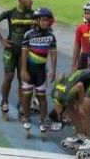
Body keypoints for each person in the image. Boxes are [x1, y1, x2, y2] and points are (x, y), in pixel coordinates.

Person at [0, 0, 35, 120]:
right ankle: (4, 101)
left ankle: (22, 106)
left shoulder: (34, 14)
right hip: (11, 49)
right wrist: (1, 40)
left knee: (22, 79)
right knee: (9, 76)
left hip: (25, 51)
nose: (31, 0)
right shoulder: (10, 13)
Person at [19, 7, 57, 138]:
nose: (46, 23)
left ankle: (42, 120)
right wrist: (23, 69)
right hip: (29, 69)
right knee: (27, 95)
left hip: (41, 71)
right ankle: (26, 117)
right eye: (43, 20)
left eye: (48, 20)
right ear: (37, 20)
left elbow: (53, 54)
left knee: (42, 97)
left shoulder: (51, 36)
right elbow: (23, 53)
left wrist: (53, 70)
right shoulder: (28, 34)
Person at [50, 69, 90, 156]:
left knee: (85, 107)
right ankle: (80, 135)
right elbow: (61, 75)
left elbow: (80, 86)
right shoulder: (54, 94)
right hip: (81, 76)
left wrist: (81, 103)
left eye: (64, 118)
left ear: (60, 115)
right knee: (71, 108)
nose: (67, 120)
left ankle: (89, 139)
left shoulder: (66, 97)